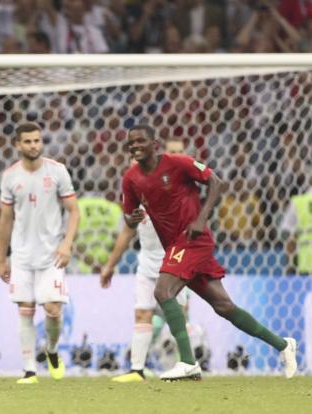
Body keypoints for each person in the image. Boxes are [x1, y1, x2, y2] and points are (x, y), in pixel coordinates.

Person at [120, 125, 297, 381]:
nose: (135, 146)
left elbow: (216, 181)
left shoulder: (177, 163)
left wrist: (201, 219)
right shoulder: (131, 179)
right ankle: (283, 345)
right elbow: (128, 219)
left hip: (194, 240)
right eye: (131, 143)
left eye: (140, 141)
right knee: (224, 306)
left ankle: (188, 362)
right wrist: (132, 218)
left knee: (162, 292)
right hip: (175, 246)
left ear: (154, 142)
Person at [0, 122, 80, 384]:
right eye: (28, 141)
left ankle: (52, 351)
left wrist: (66, 244)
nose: (34, 145)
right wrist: (1, 258)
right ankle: (30, 370)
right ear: (18, 145)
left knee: (53, 310)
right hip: (21, 256)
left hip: (51, 254)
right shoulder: (10, 176)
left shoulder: (57, 171)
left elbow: (74, 211)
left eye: (37, 140)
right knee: (26, 308)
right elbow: (6, 218)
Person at [100, 204, 192, 382]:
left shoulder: (174, 194)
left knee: (179, 317)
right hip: (146, 268)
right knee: (142, 313)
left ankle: (187, 365)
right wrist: (110, 266)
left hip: (174, 265)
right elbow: (127, 232)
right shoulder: (136, 201)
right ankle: (137, 370)